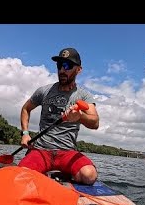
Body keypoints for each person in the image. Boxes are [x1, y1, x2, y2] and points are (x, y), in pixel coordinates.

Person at [18, 47, 100, 185]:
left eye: (67, 65)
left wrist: (80, 116)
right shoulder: (43, 91)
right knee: (22, 177)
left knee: (89, 176)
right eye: (59, 65)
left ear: (78, 70)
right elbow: (26, 109)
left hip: (67, 152)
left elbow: (95, 122)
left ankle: (64, 172)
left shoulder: (84, 95)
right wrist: (25, 133)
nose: (62, 70)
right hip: (41, 150)